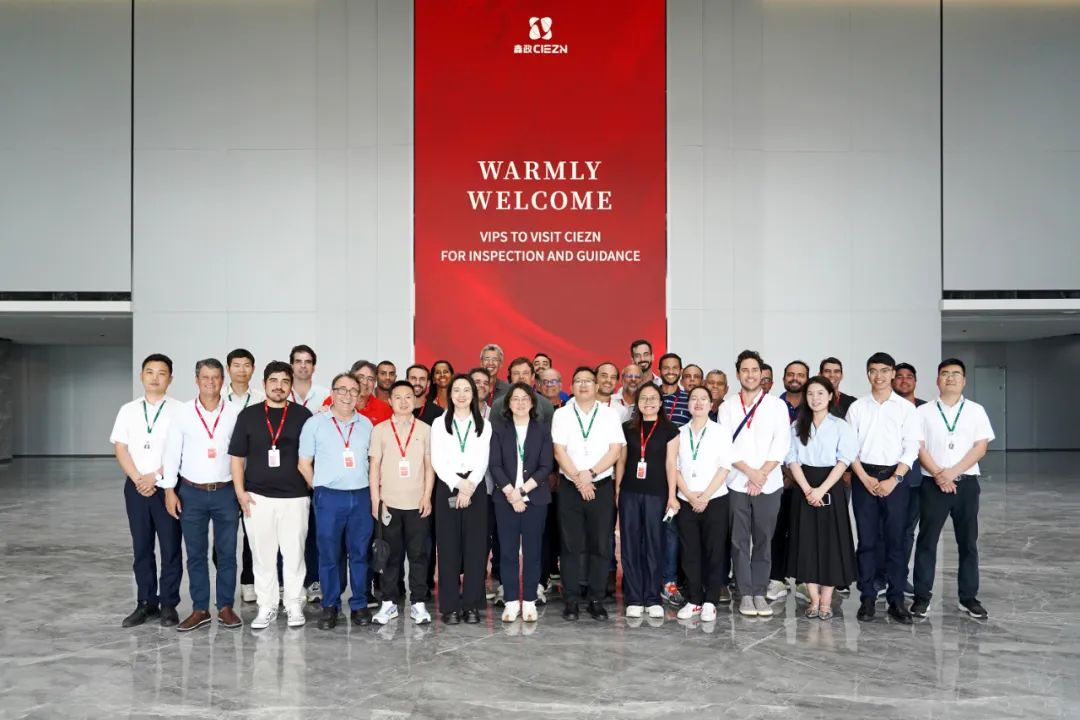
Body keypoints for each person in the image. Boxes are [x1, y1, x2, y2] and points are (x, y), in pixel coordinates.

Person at [229, 361, 313, 629]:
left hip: (295, 498)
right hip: (258, 498)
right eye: (274, 381)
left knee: (294, 555)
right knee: (263, 556)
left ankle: (294, 603)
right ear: (264, 384)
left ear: (291, 386)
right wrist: (240, 493)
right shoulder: (248, 416)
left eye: (285, 381)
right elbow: (237, 458)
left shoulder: (303, 415)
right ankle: (267, 606)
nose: (279, 386)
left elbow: (312, 455)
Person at [161, 358, 242, 632]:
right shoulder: (182, 413)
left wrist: (241, 491)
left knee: (227, 553)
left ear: (222, 380)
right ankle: (200, 609)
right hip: (191, 493)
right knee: (196, 554)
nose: (210, 382)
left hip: (225, 492)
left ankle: (226, 606)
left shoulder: (234, 413)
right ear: (197, 380)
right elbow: (172, 453)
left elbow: (242, 456)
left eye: (216, 377)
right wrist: (169, 490)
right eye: (205, 377)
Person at [912, 359, 994, 620]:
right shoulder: (923, 411)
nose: (950, 378)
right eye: (945, 374)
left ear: (964, 380)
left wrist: (952, 472)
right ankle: (922, 598)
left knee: (968, 542)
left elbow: (981, 447)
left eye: (956, 374)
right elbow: (918, 447)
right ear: (938, 380)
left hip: (966, 484)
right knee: (927, 541)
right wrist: (939, 474)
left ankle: (968, 598)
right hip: (932, 485)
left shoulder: (976, 411)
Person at [845, 352, 922, 624]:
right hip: (863, 476)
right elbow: (849, 447)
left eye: (884, 370)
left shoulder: (906, 409)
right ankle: (867, 598)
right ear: (867, 374)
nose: (878, 376)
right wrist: (864, 477)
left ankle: (896, 600)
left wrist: (894, 479)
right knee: (867, 541)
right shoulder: (857, 408)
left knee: (895, 541)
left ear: (892, 373)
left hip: (895, 479)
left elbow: (911, 447)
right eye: (873, 371)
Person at [298, 372, 376, 630]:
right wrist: (320, 487)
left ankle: (359, 603)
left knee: (360, 553)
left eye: (353, 391)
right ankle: (330, 604)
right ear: (332, 393)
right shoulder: (315, 424)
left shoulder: (366, 425)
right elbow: (304, 464)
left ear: (359, 395)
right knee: (329, 554)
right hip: (329, 497)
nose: (347, 395)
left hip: (361, 496)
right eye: (342, 389)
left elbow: (373, 462)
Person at [111, 353, 182, 628]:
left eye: (161, 373)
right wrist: (138, 478)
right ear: (141, 376)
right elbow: (121, 448)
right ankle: (145, 602)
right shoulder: (128, 410)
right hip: (136, 487)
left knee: (170, 547)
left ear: (170, 379)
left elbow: (181, 451)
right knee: (141, 546)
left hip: (167, 487)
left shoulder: (180, 410)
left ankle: (168, 604)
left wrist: (156, 476)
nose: (155, 378)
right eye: (150, 372)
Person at [718, 350, 791, 617]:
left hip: (768, 484)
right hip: (737, 483)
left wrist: (762, 474)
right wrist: (750, 473)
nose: (750, 375)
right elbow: (725, 446)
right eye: (745, 370)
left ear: (762, 374)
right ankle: (745, 594)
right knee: (739, 541)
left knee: (764, 540)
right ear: (738, 374)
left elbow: (782, 443)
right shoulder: (727, 407)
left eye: (755, 370)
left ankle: (760, 592)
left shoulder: (776, 406)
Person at [551, 366, 626, 620]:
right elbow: (559, 451)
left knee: (601, 545)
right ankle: (571, 600)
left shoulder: (609, 415)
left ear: (596, 386)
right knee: (570, 545)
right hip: (570, 487)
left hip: (600, 486)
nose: (583, 385)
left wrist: (590, 474)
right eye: (578, 381)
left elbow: (615, 450)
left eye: (588, 381)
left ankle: (596, 599)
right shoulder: (562, 414)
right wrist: (579, 479)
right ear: (571, 386)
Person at [784, 376, 858, 621]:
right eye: (810, 394)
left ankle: (826, 600)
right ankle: (813, 599)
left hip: (831, 486)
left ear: (830, 396)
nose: (815, 398)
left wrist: (821, 490)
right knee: (805, 542)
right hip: (803, 485)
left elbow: (844, 460)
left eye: (820, 393)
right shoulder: (797, 426)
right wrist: (807, 489)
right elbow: (791, 459)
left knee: (830, 544)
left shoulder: (840, 426)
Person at [368, 381, 435, 625]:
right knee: (390, 556)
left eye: (408, 397)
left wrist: (427, 496)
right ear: (390, 401)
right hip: (389, 503)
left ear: (415, 401)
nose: (404, 401)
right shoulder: (380, 430)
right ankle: (388, 603)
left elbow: (429, 466)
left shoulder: (425, 429)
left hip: (417, 504)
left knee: (418, 556)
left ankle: (418, 603)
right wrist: (376, 500)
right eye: (398, 397)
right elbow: (374, 467)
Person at [490, 383, 554, 622]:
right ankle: (510, 601)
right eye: (515, 398)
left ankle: (528, 600)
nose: (520, 403)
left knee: (532, 552)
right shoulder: (499, 430)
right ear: (508, 403)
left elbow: (546, 466)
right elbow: (494, 465)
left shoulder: (542, 430)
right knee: (507, 552)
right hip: (505, 500)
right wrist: (511, 493)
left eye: (524, 398)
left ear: (532, 403)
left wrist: (522, 491)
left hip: (534, 499)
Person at [429, 374, 491, 624]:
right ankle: (450, 607)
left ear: (473, 394)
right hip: (448, 486)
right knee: (448, 548)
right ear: (450, 394)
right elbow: (437, 460)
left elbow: (483, 460)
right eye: (457, 390)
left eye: (467, 390)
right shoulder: (438, 423)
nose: (462, 395)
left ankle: (472, 605)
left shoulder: (484, 424)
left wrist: (469, 486)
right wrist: (458, 484)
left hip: (475, 488)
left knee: (476, 548)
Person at [615, 383, 680, 619]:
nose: (649, 402)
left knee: (655, 544)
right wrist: (617, 491)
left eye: (653, 398)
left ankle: (652, 598)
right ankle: (634, 597)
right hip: (630, 492)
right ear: (637, 402)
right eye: (644, 398)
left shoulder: (670, 430)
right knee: (630, 544)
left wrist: (672, 495)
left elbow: (671, 464)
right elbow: (621, 462)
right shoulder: (627, 428)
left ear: (661, 402)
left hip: (657, 493)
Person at [674, 386, 733, 622]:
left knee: (714, 551)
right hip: (686, 499)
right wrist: (690, 496)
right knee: (690, 552)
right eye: (694, 399)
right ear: (688, 404)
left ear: (711, 404)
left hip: (715, 499)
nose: (698, 403)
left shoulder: (720, 432)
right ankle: (694, 600)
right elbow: (674, 468)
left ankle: (710, 601)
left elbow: (725, 467)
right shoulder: (679, 433)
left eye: (703, 399)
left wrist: (705, 495)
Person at [767, 360, 810, 602]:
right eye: (791, 374)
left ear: (807, 378)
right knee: (776, 530)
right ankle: (776, 579)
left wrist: (797, 477)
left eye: (800, 375)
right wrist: (785, 473)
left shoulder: (814, 405)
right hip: (778, 478)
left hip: (807, 481)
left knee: (804, 531)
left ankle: (803, 581)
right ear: (783, 378)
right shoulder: (773, 406)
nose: (795, 378)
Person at [224, 349, 264, 602]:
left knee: (253, 534)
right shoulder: (217, 398)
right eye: (236, 365)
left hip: (254, 475)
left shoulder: (261, 399)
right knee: (225, 535)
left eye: (246, 365)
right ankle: (225, 582)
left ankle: (249, 580)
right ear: (228, 369)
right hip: (224, 476)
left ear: (253, 369)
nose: (241, 370)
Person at [892, 362, 927, 596]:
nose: (904, 380)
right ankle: (880, 577)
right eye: (900, 376)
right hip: (887, 479)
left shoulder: (925, 409)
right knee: (882, 531)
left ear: (915, 381)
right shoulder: (886, 406)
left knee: (906, 531)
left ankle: (900, 576)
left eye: (909, 377)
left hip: (915, 480)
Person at [492, 357, 556, 426]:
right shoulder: (497, 405)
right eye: (516, 373)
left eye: (525, 373)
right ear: (510, 377)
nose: (521, 377)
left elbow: (549, 432)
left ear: (532, 376)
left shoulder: (545, 405)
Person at [289, 344, 329, 411]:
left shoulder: (326, 395)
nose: (303, 366)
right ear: (291, 367)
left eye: (308, 362)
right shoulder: (283, 394)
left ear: (313, 368)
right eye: (298, 361)